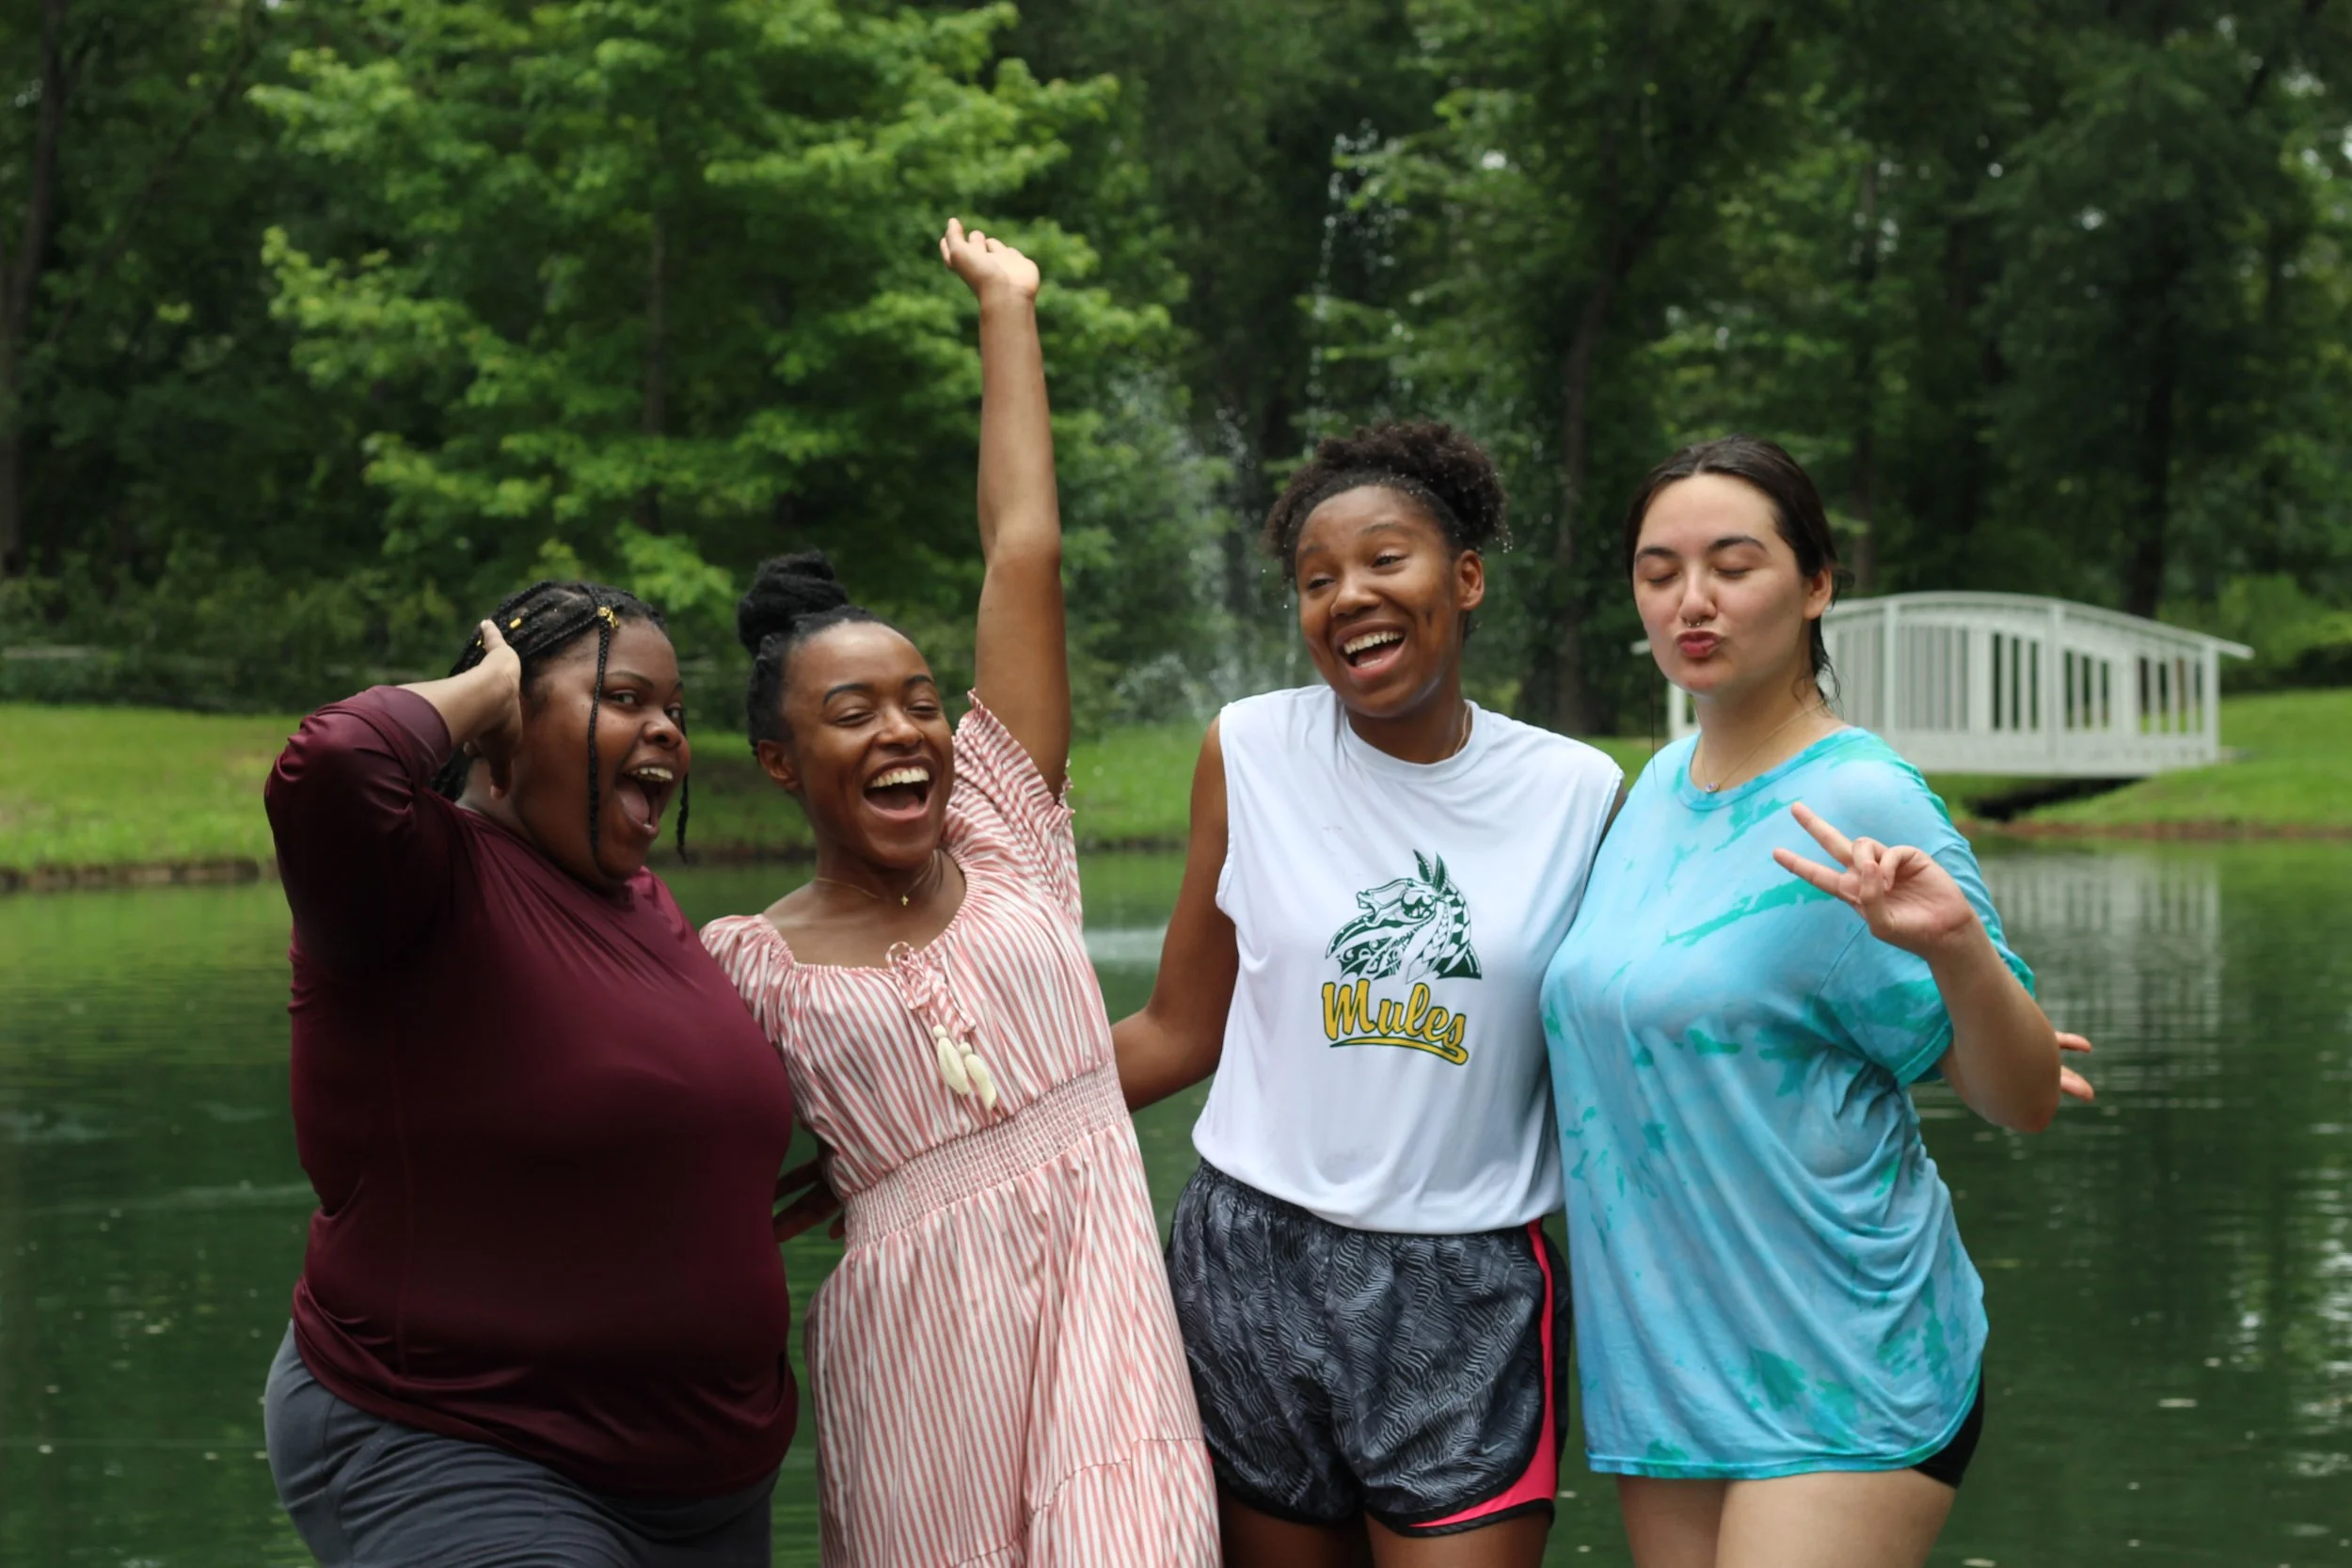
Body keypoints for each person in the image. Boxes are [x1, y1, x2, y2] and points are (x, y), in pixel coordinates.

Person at [698, 220, 1217, 1568]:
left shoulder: (1007, 828)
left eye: (922, 701)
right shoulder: (747, 962)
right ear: (778, 761)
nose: (904, 731)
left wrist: (1008, 304)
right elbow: (665, 1143)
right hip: (916, 1352)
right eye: (853, 712)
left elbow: (1022, 546)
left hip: (1106, 1320)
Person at [1540, 434, 2071, 1568]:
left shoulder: (1860, 794)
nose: (1692, 599)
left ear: (1816, 584)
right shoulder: (1648, 790)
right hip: (1667, 1363)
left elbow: (2019, 1098)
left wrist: (1963, 954)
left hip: (1843, 1355)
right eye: (1658, 569)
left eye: (1734, 565)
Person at [1113, 420, 1625, 1567]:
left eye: (1385, 559)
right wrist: (943, 1136)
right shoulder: (1248, 748)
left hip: (1470, 1280)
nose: (1348, 595)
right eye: (1316, 578)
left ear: (1467, 577)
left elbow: (1632, 1049)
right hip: (1249, 1262)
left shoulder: (1578, 792)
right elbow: (1177, 1028)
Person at [260, 582, 799, 1565]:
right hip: (461, 1447)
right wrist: (484, 684)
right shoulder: (411, 877)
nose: (668, 731)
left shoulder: (639, 900)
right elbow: (333, 760)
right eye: (626, 697)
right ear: (504, 726)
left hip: (705, 1488)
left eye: (676, 710)